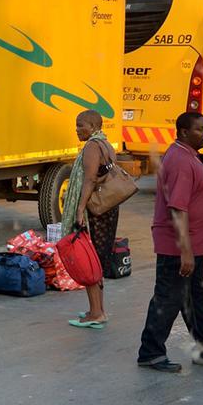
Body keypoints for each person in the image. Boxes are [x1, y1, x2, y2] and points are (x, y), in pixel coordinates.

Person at [137, 112, 203, 373]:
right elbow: (177, 209)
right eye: (200, 129)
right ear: (183, 132)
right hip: (178, 246)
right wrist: (185, 252)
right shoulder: (181, 161)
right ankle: (151, 353)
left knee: (193, 297)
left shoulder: (187, 155)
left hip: (191, 244)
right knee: (168, 298)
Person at [59, 110, 119, 329]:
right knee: (97, 259)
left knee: (90, 259)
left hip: (96, 210)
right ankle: (98, 310)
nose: (77, 129)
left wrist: (79, 209)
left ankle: (96, 313)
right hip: (107, 208)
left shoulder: (93, 147)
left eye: (81, 125)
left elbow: (90, 178)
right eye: (76, 125)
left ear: (93, 126)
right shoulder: (106, 144)